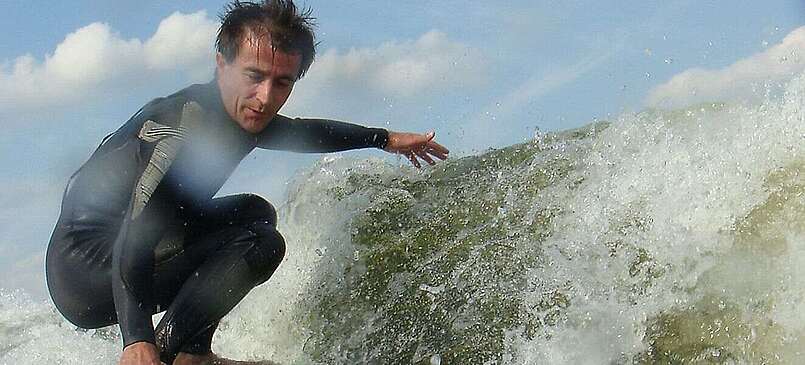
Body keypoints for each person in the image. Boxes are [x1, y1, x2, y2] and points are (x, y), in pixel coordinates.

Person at [44, 1, 449, 364]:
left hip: (126, 252)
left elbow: (306, 132)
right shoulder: (183, 127)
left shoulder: (236, 115)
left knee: (254, 213)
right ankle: (172, 355)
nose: (265, 97)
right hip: (89, 270)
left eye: (282, 83)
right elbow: (136, 233)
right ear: (222, 63)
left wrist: (385, 139)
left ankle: (191, 351)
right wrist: (137, 339)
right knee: (261, 242)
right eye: (254, 75)